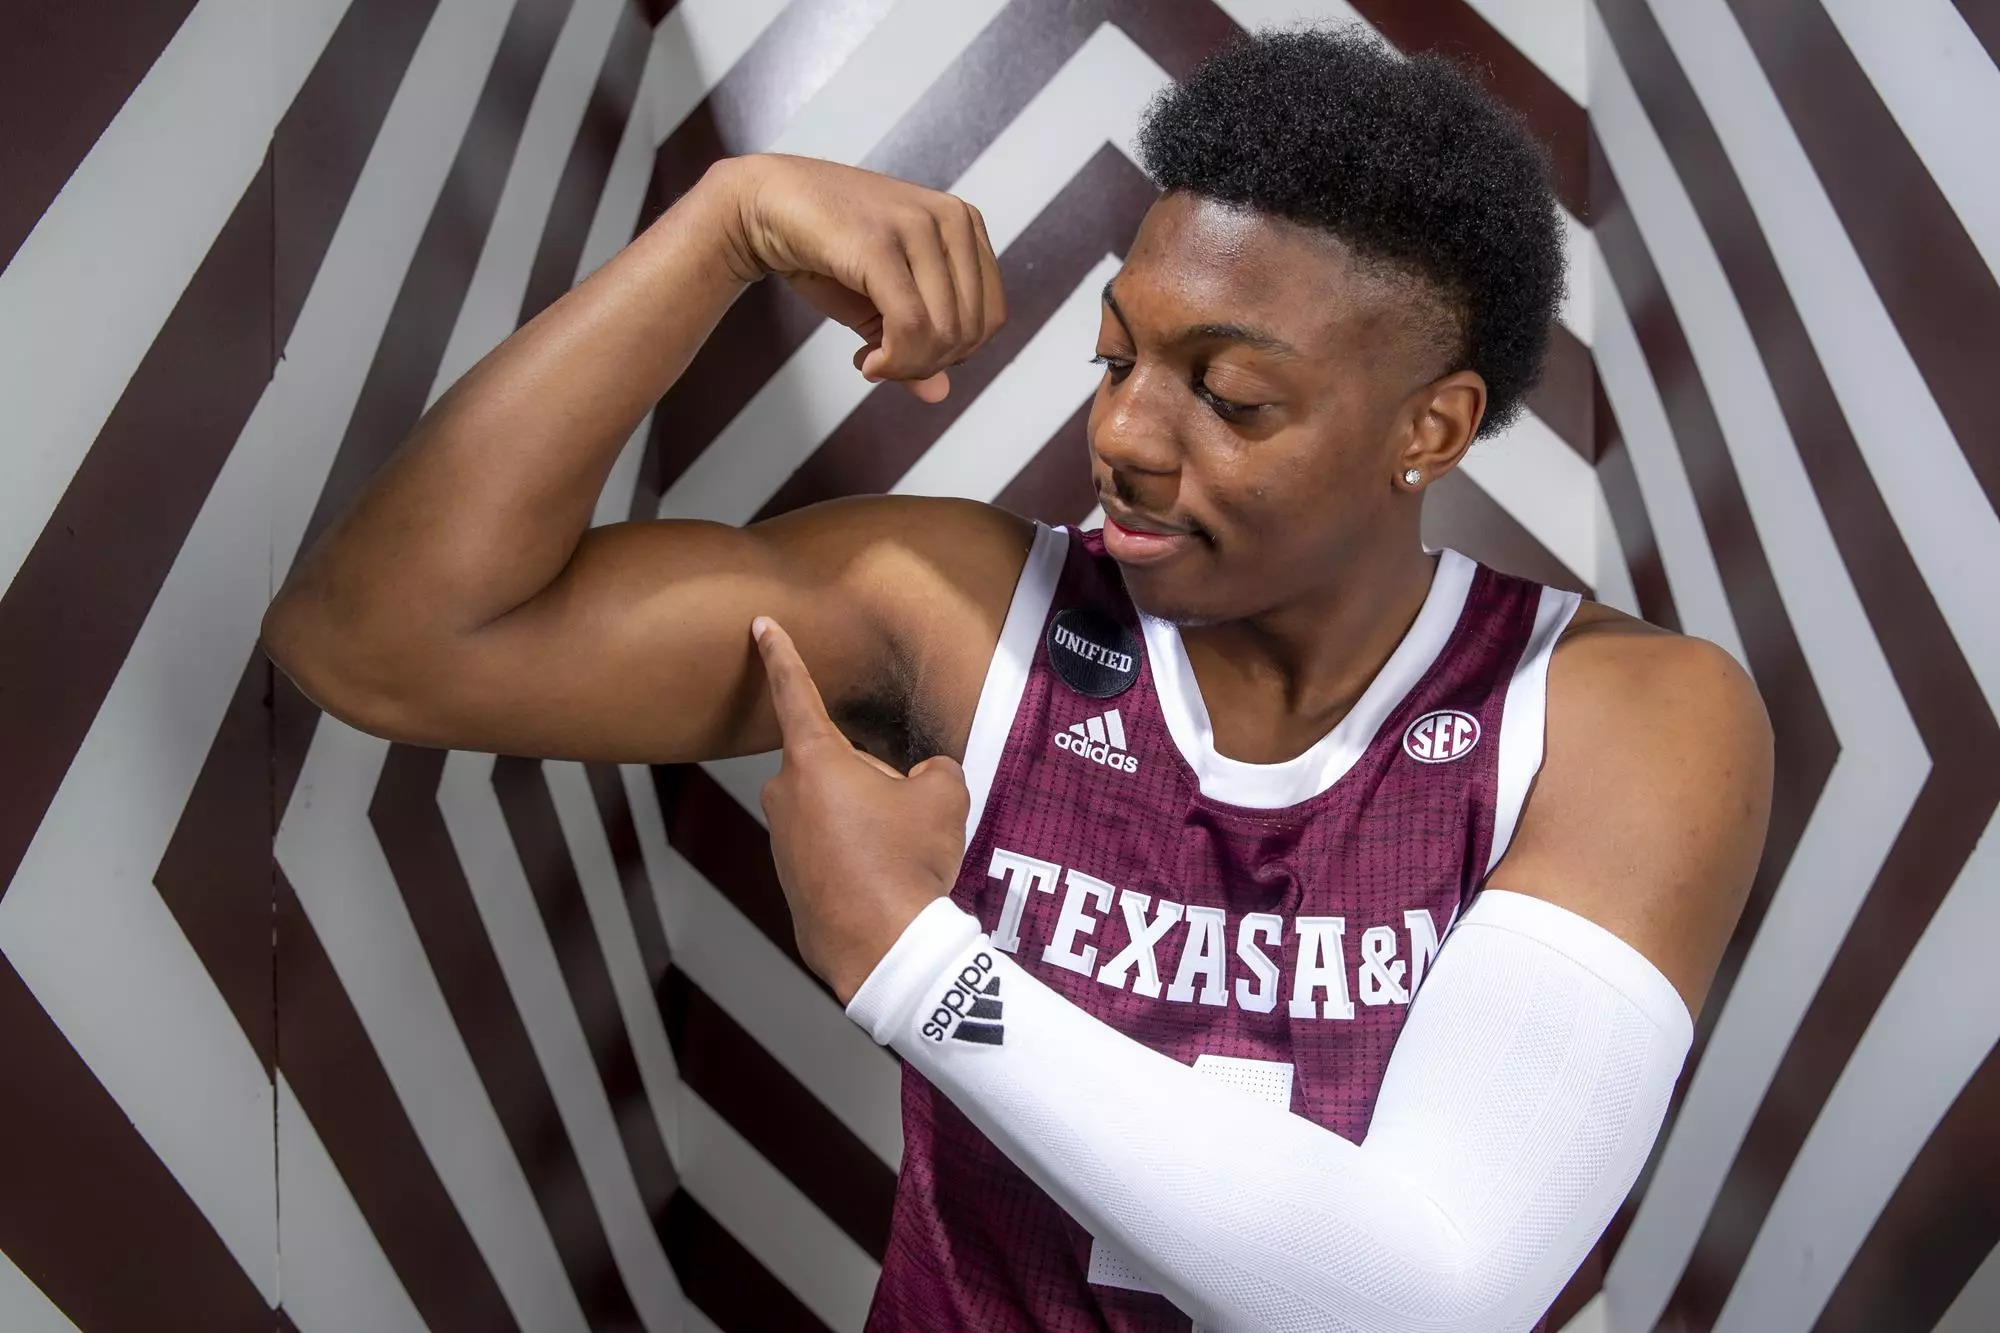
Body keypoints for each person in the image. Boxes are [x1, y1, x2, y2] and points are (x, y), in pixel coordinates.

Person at [263, 26, 1771, 1333]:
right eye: (1118, 359)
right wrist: (722, 228)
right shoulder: (962, 614)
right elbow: (379, 642)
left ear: (1429, 432)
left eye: (1233, 397)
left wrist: (915, 960)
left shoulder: (1615, 712)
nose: (1126, 437)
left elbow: (1425, 1299)